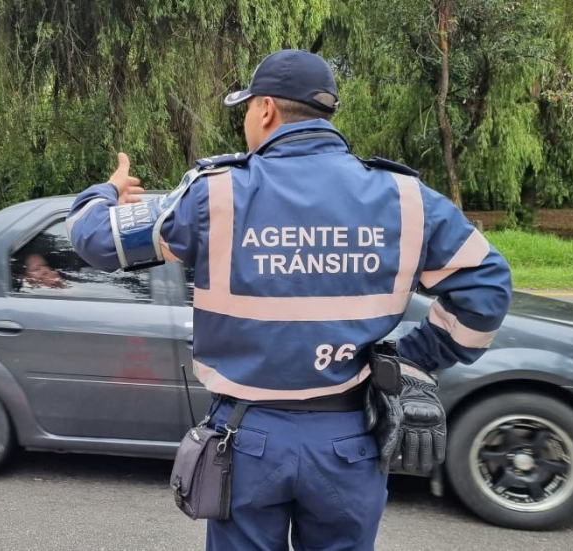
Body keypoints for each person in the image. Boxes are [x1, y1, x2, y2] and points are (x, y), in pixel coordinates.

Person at [66, 49, 512, 550]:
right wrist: (412, 357)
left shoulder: (216, 195)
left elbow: (94, 239)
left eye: (247, 110)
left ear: (266, 110)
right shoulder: (406, 199)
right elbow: (487, 286)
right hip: (349, 442)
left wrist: (106, 189)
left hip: (248, 441)